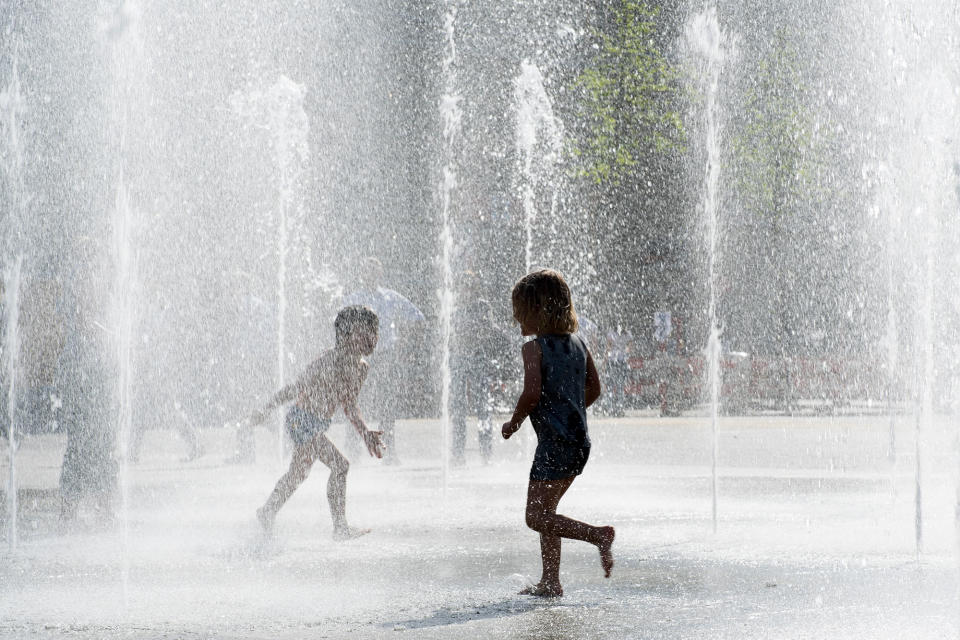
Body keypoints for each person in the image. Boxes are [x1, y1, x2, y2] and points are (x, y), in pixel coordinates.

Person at [501, 269, 615, 597]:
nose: (515, 319)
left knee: (535, 516)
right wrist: (570, 411)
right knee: (547, 511)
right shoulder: (578, 344)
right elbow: (593, 388)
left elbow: (531, 394)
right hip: (579, 443)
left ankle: (598, 535)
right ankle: (551, 581)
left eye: (519, 312)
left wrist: (515, 422)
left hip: (554, 446)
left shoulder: (534, 349)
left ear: (538, 312)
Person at [247, 305, 384, 540]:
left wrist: (365, 433)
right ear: (347, 334)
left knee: (298, 473)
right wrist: (266, 409)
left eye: (375, 331)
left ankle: (267, 511)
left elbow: (349, 405)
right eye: (367, 331)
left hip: (317, 424)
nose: (373, 337)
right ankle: (340, 528)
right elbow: (295, 387)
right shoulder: (329, 361)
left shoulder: (361, 368)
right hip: (301, 421)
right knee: (340, 466)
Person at [341, 257, 424, 465]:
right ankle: (353, 452)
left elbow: (418, 318)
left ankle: (388, 451)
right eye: (366, 270)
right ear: (361, 273)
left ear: (380, 273)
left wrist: (405, 343)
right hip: (358, 358)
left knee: (387, 404)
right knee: (355, 402)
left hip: (386, 356)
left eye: (373, 270)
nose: (369, 274)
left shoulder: (389, 297)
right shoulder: (354, 299)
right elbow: (337, 323)